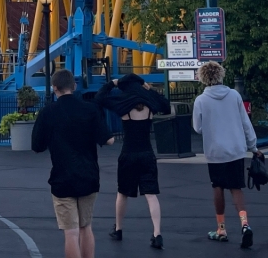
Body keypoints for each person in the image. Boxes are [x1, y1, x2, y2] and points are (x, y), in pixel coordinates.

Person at [32, 69, 112, 258]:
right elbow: (108, 140)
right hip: (89, 175)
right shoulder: (90, 109)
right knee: (86, 227)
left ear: (54, 88)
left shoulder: (48, 112)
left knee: (71, 232)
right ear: (74, 86)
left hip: (62, 177)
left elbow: (37, 146)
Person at [95, 74, 171, 249]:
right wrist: (148, 87)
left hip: (128, 153)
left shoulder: (122, 102)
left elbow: (99, 98)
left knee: (122, 193)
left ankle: (119, 229)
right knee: (151, 195)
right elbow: (165, 104)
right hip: (147, 153)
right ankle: (157, 233)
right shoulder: (151, 102)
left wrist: (112, 83)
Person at [192, 61, 261, 249]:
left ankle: (221, 228)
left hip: (215, 151)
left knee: (218, 187)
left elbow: (197, 128)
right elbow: (246, 123)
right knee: (236, 188)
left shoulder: (201, 100)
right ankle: (245, 224)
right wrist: (253, 147)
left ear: (203, 78)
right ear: (221, 75)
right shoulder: (234, 95)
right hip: (236, 149)